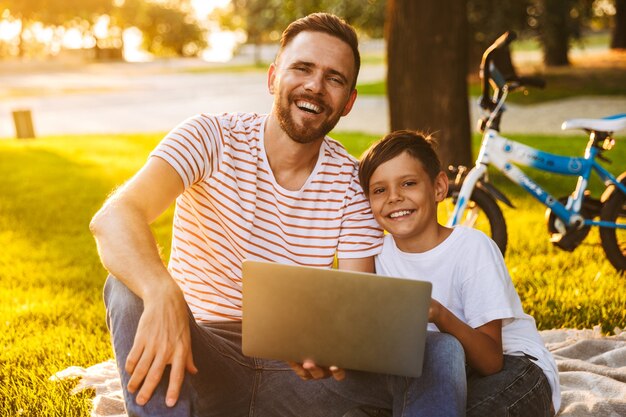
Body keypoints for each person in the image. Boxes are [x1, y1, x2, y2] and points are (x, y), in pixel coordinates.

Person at [90, 13, 466, 417]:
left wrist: (333, 344)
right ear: (273, 78)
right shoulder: (210, 137)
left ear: (349, 101)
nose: (315, 87)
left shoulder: (353, 183)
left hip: (302, 378)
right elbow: (114, 216)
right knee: (128, 288)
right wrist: (161, 290)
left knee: (440, 350)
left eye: (334, 78)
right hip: (202, 356)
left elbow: (356, 301)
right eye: (302, 68)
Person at [357, 130, 561, 417]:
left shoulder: (471, 247)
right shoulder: (378, 255)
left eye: (408, 183)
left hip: (513, 366)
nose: (394, 198)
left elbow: (491, 361)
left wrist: (439, 314)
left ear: (439, 187)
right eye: (379, 190)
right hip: (433, 372)